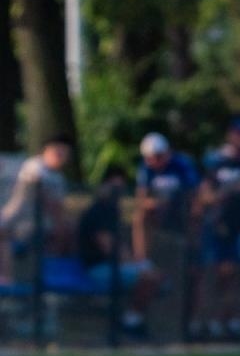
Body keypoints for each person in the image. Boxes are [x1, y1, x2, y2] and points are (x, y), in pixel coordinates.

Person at [194, 119, 240, 341]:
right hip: (216, 227)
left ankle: (229, 319)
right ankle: (205, 321)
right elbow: (204, 193)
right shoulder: (217, 164)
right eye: (236, 134)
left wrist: (231, 189)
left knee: (232, 274)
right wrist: (216, 196)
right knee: (212, 274)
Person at [78, 167, 162, 338]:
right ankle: (130, 321)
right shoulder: (98, 211)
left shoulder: (112, 212)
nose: (117, 193)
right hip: (98, 269)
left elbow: (121, 247)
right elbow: (108, 246)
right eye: (114, 188)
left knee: (153, 274)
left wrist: (134, 262)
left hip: (113, 267)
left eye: (120, 189)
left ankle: (131, 318)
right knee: (149, 277)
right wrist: (131, 263)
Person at [0, 136, 73, 285]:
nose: (60, 157)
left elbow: (57, 208)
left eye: (63, 154)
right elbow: (38, 195)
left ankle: (54, 283)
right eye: (56, 152)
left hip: (37, 225)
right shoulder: (34, 166)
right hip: (19, 222)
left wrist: (61, 226)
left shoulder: (58, 178)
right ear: (45, 151)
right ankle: (7, 280)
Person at [134, 132, 201, 261]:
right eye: (151, 157)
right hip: (159, 213)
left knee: (196, 213)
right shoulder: (145, 168)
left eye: (159, 156)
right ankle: (141, 259)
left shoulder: (181, 164)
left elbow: (194, 193)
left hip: (182, 210)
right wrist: (155, 203)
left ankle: (194, 254)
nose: (155, 161)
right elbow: (141, 199)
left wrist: (192, 208)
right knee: (139, 216)